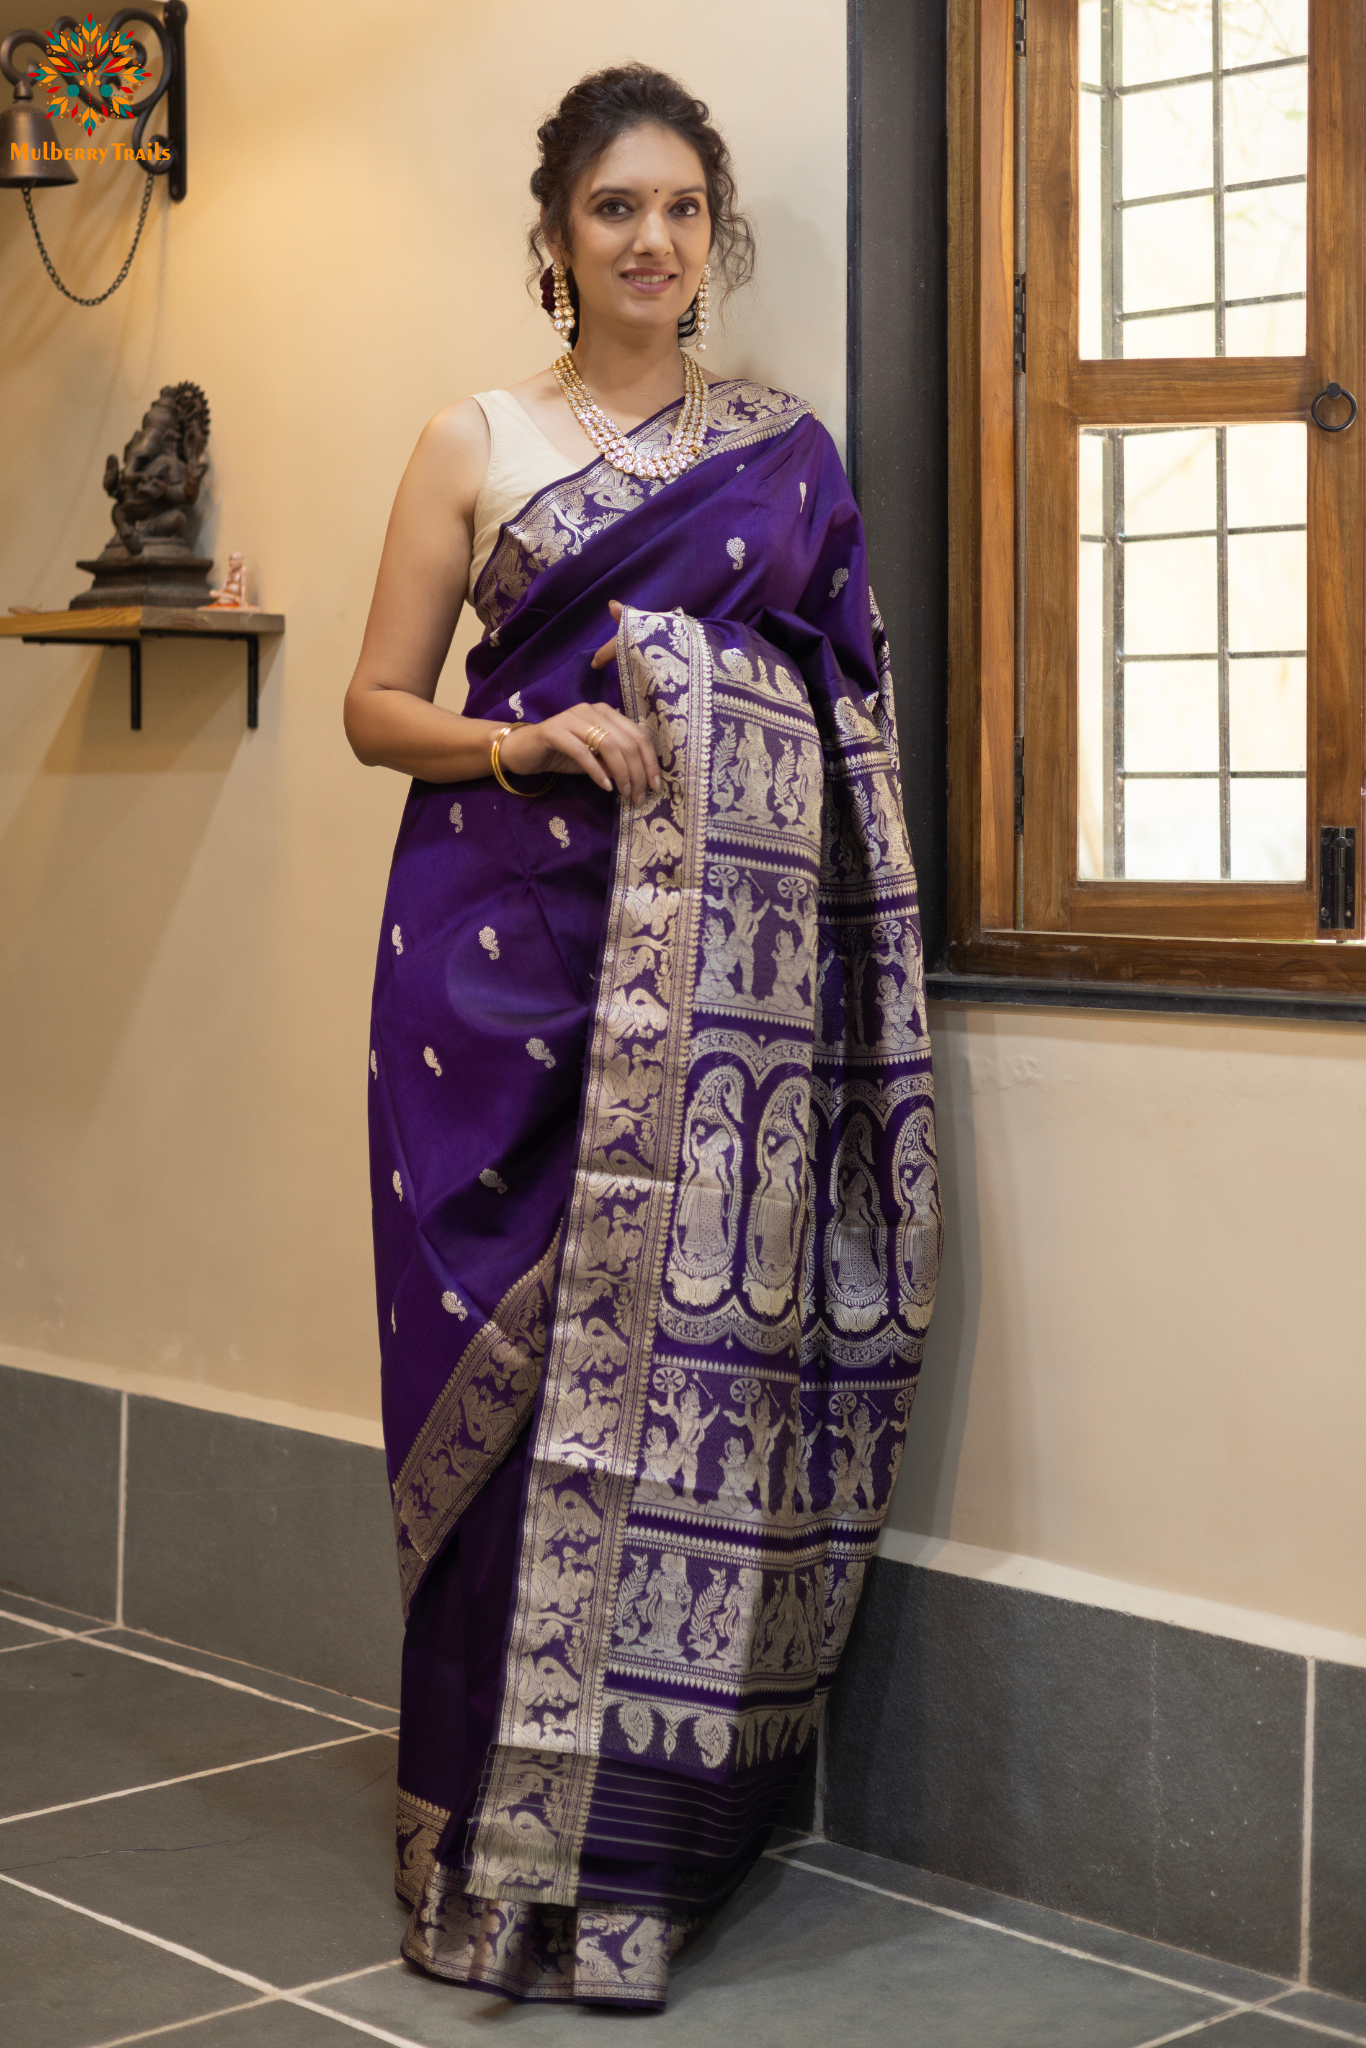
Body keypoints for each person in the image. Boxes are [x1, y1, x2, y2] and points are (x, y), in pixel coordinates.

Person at [343, 61, 939, 2011]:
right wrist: (530, 732)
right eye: (614, 209)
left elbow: (849, 720)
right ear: (553, 235)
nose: (651, 242)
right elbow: (375, 708)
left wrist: (705, 704)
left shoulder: (783, 452)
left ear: (715, 232)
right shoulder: (474, 440)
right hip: (491, 973)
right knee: (507, 1423)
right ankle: (471, 1861)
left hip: (713, 1004)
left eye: (682, 208)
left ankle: (616, 1870)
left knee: (669, 1393)